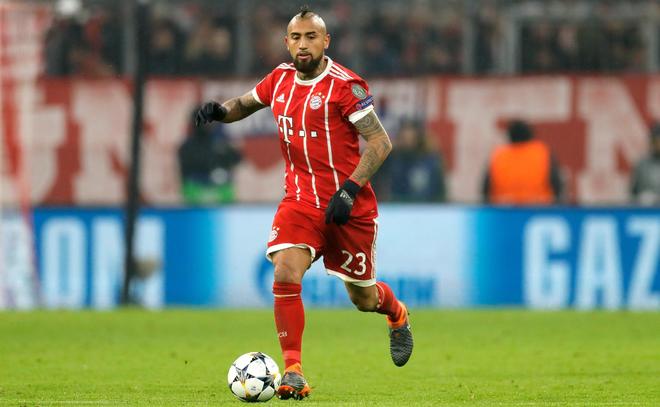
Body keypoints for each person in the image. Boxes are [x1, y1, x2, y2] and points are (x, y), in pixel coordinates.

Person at [195, 6, 413, 400]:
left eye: (311, 36)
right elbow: (245, 103)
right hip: (300, 201)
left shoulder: (345, 86)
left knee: (363, 298)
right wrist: (220, 111)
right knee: (285, 272)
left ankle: (397, 313)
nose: (303, 44)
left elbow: (381, 142)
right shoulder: (278, 79)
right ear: (287, 42)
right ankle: (293, 370)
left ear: (326, 41)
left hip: (348, 205)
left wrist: (350, 189)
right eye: (296, 37)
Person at [482, 120, 562, 204]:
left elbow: (486, 188)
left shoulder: (499, 155)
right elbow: (557, 185)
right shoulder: (542, 152)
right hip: (539, 208)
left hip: (503, 209)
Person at [178, 108, 242, 204]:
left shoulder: (220, 142)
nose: (207, 124)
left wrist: (223, 157)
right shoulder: (186, 147)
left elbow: (236, 158)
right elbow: (185, 175)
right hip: (195, 190)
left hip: (221, 189)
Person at [380, 120, 447, 202]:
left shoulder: (431, 162)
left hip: (427, 206)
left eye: (411, 137)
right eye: (404, 137)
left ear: (418, 138)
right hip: (398, 206)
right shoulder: (393, 159)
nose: (407, 141)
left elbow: (440, 191)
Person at [630, 123, 660, 206]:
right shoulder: (642, 165)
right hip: (646, 210)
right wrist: (641, 198)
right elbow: (632, 194)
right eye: (656, 141)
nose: (658, 144)